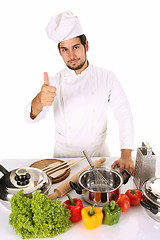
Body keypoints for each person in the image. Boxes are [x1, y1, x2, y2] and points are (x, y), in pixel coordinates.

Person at [25, 10, 135, 175]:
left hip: (99, 158)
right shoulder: (54, 81)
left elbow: (123, 114)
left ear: (86, 46)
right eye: (65, 50)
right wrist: (40, 100)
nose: (71, 55)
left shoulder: (106, 77)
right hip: (63, 162)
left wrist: (126, 155)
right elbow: (30, 118)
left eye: (76, 47)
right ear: (59, 52)